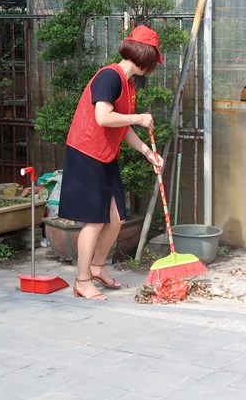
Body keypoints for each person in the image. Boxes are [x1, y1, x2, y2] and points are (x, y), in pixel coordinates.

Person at [59, 25, 164, 300]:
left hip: (105, 155)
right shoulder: (110, 77)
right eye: (153, 60)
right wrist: (139, 118)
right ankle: (82, 281)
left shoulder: (127, 84)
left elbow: (121, 126)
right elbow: (103, 117)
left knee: (116, 219)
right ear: (143, 55)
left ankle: (97, 267)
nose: (152, 67)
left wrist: (147, 152)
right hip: (87, 154)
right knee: (94, 222)